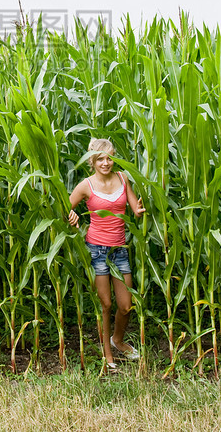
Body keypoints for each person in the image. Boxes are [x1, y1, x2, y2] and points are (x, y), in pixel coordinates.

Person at [68, 138, 145, 374]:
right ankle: (107, 352)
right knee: (106, 304)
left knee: (125, 305)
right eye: (101, 158)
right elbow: (65, 207)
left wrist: (140, 210)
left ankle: (117, 340)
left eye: (110, 157)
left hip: (119, 249)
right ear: (92, 161)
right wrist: (72, 217)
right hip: (97, 250)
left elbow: (135, 209)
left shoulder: (122, 178)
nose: (106, 162)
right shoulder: (85, 185)